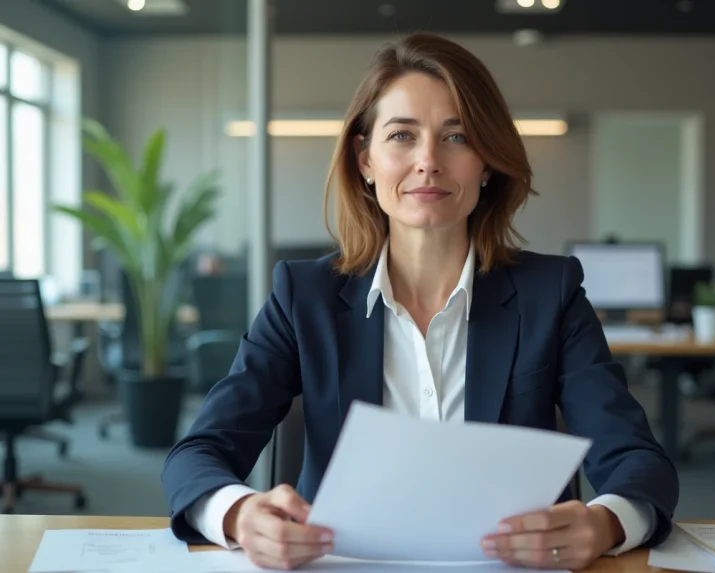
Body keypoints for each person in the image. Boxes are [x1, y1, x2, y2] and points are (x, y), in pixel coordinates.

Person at [162, 32, 678, 571]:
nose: (428, 161)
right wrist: (239, 513)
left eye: (456, 137)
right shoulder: (303, 297)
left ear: (487, 164)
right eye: (402, 136)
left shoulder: (551, 295)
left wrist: (605, 522)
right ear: (365, 160)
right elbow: (197, 455)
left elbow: (640, 462)